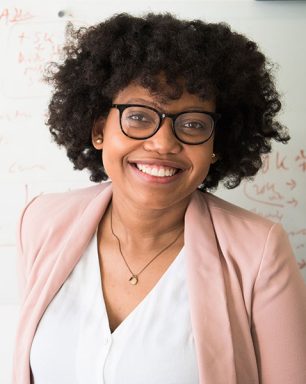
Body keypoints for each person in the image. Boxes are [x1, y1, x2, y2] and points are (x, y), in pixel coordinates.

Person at [13, 12, 306, 384]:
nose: (164, 143)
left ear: (217, 145)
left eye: (194, 124)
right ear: (99, 129)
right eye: (138, 116)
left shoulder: (259, 252)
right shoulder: (40, 222)